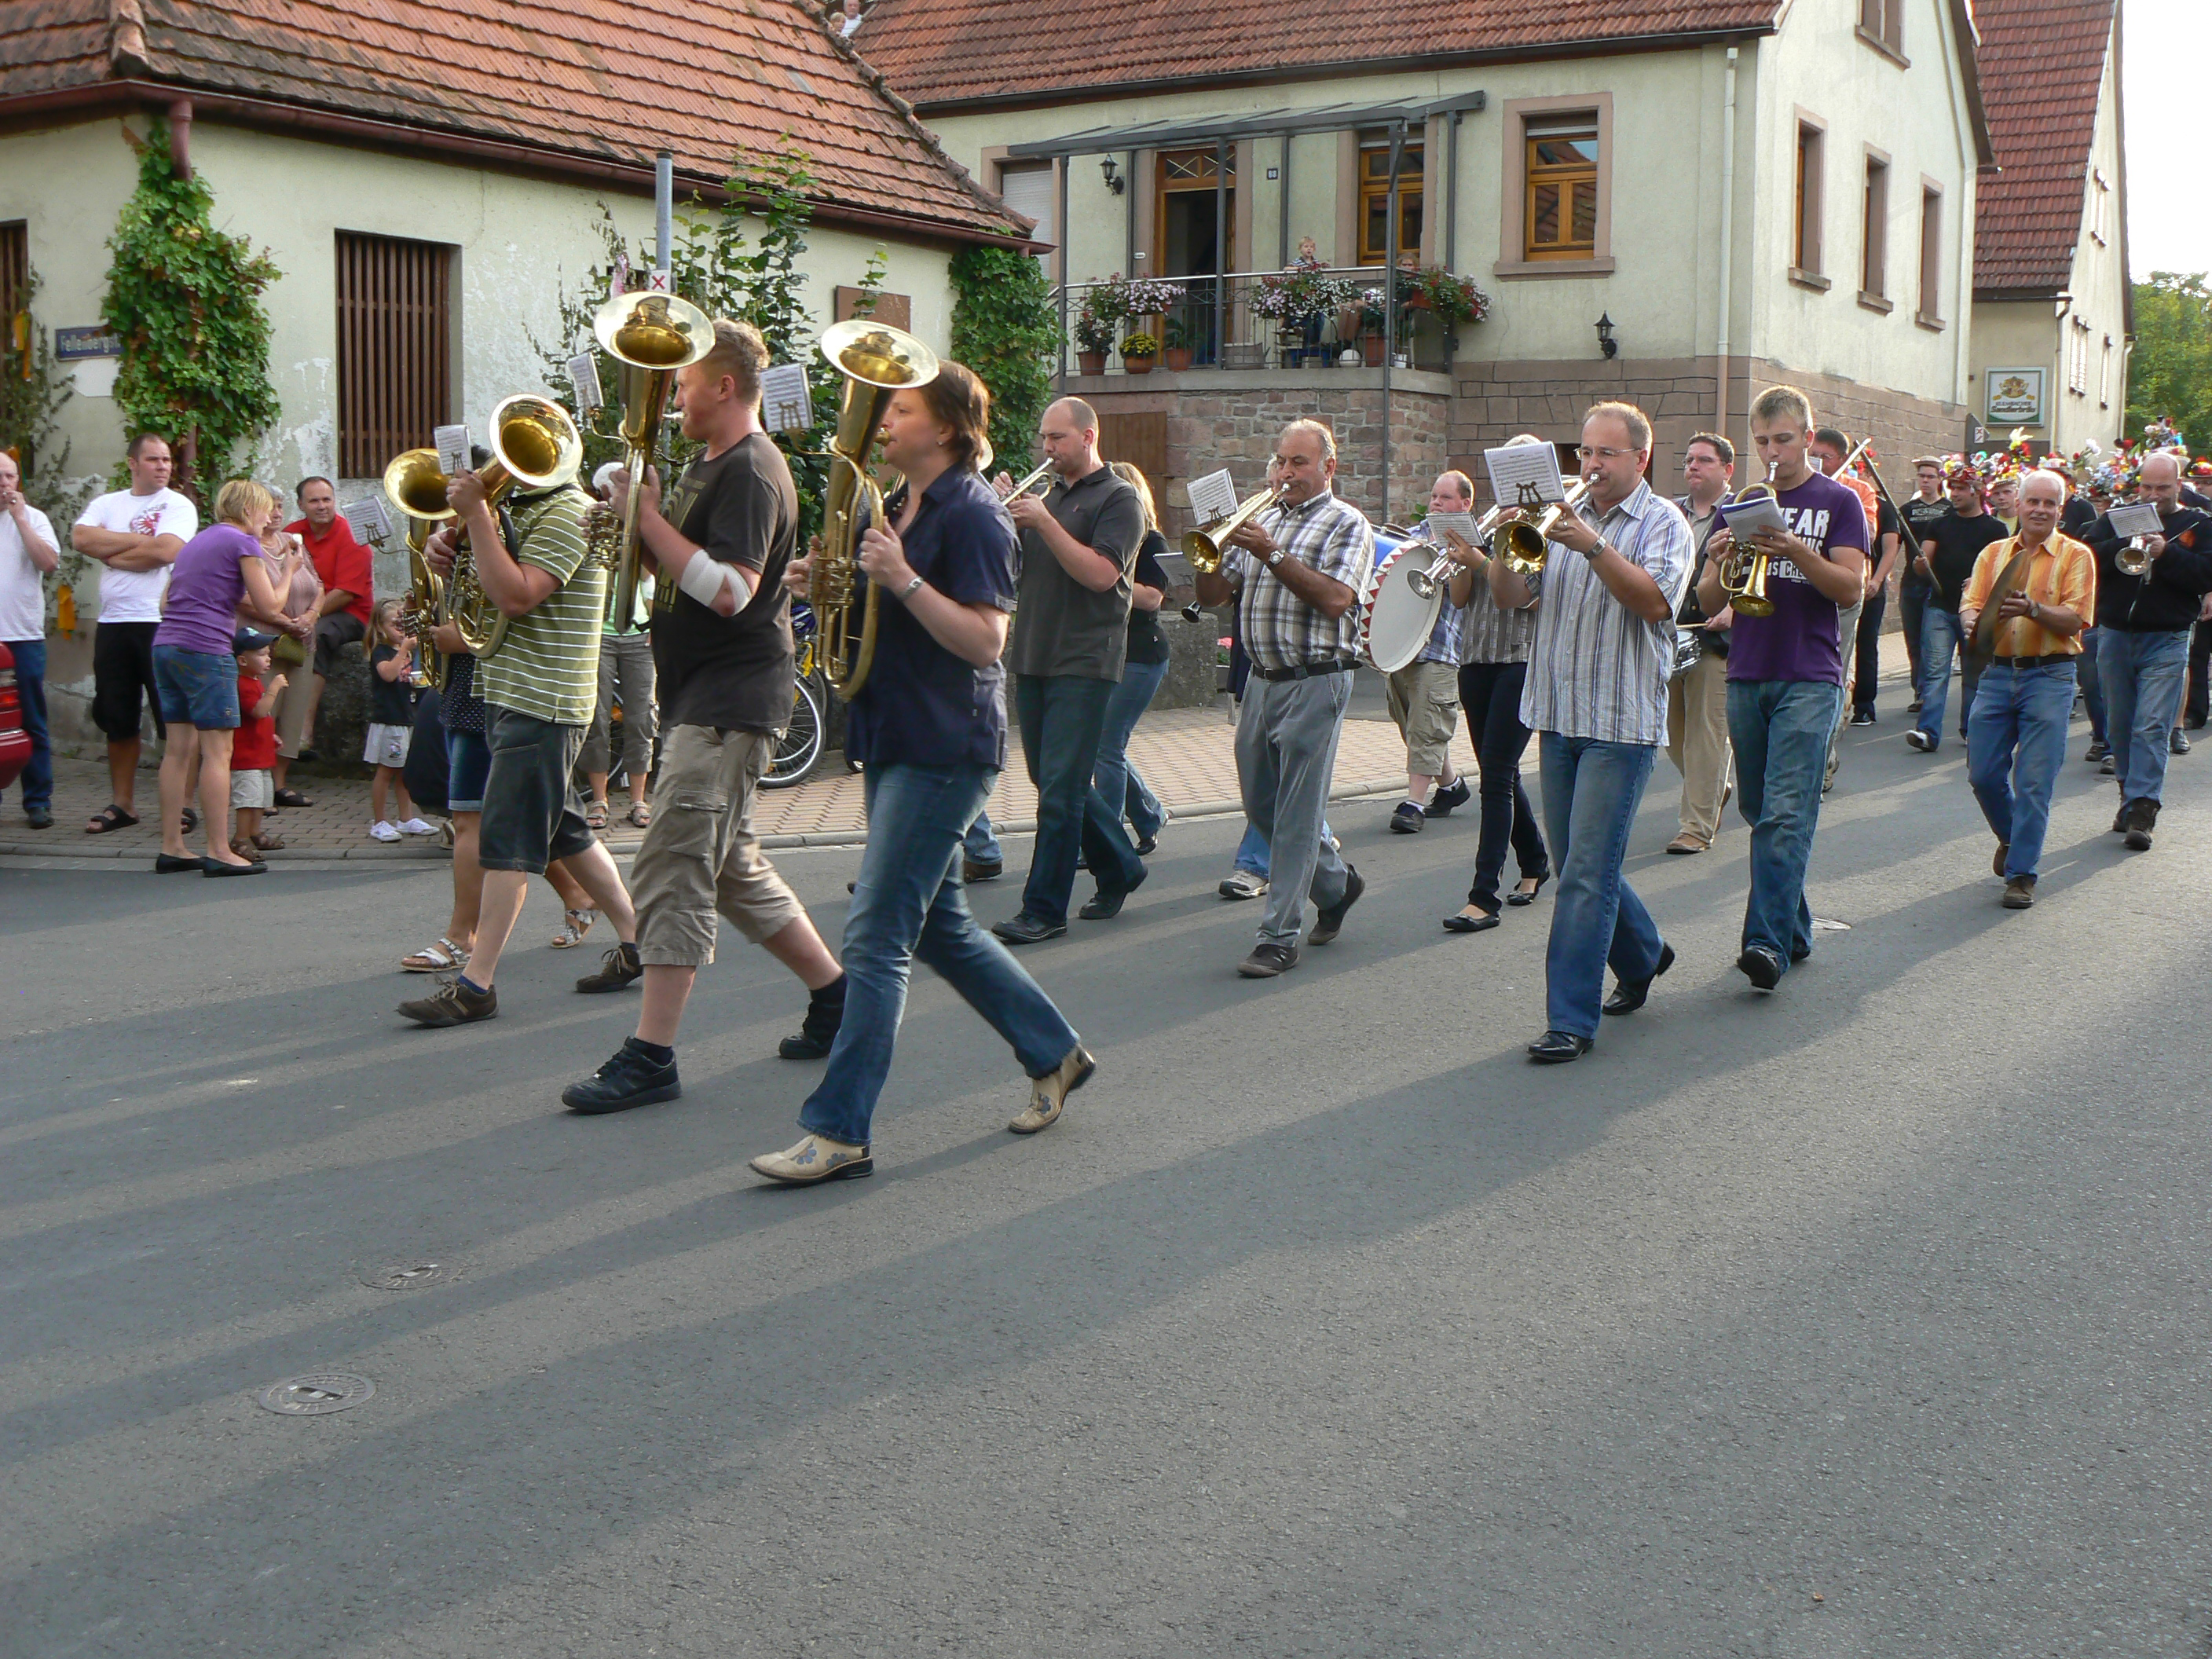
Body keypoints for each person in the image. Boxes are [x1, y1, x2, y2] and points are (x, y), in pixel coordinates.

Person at [750, 362, 1094, 1184]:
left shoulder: (974, 514)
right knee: (939, 926)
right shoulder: (890, 503)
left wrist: (899, 579)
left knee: (874, 934)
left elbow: (984, 641)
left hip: (943, 745)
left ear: (943, 427)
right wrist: (820, 588)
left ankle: (838, 1130)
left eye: (898, 409)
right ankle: (1054, 1051)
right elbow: (872, 614)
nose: (881, 421)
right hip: (895, 731)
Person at [561, 318, 849, 1115]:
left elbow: (732, 591)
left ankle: (651, 1056)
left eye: (685, 380)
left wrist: (646, 521)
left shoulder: (753, 470)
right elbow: (685, 576)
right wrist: (631, 526)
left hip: (727, 701)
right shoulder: (706, 464)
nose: (675, 392)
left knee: (671, 864)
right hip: (704, 693)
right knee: (727, 867)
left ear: (724, 386)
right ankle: (836, 997)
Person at [398, 447, 641, 1027]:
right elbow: (482, 600)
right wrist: (449, 556)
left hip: (544, 698)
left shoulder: (569, 512)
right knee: (568, 832)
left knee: (505, 843)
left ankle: (475, 984)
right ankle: (641, 944)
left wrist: (478, 518)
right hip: (513, 692)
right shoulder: (517, 510)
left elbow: (517, 595)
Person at [1488, 402, 1692, 1062]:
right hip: (1558, 714)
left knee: (1581, 876)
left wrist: (1594, 546)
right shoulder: (1555, 523)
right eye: (1584, 453)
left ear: (1641, 458)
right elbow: (1509, 600)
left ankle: (1569, 1019)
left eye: (1606, 454)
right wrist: (1506, 540)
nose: (1591, 467)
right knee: (1586, 864)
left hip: (1621, 722)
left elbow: (1654, 603)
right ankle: (1644, 954)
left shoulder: (1666, 523)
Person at [1191, 418, 1372, 978]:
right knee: (1261, 806)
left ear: (1328, 468)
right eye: (1280, 462)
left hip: (1317, 678)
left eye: (1298, 463)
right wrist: (1213, 547)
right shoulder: (1262, 518)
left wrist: (1271, 554)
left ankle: (1278, 936)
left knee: (1296, 814)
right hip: (1262, 680)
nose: (1285, 473)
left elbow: (1338, 600)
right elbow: (1215, 594)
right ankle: (1337, 885)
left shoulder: (1348, 524)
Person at [1697, 388, 1866, 988]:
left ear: (1809, 437)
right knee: (1757, 810)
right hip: (1747, 668)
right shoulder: (1740, 503)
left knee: (1787, 812)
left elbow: (1851, 589)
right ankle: (1794, 930)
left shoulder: (1839, 502)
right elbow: (1709, 601)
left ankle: (1763, 944)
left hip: (1811, 673)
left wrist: (1794, 546)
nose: (1773, 453)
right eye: (1763, 442)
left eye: (1785, 440)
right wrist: (1718, 558)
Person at [990, 397, 1147, 943]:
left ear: (1088, 436)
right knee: (1055, 781)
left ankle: (1044, 910)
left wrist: (1044, 521)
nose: (1047, 449)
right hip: (1034, 652)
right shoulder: (1052, 496)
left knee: (1059, 791)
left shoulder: (1120, 498)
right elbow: (1016, 567)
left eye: (1057, 438)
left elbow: (1102, 574)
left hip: (1085, 657)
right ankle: (1122, 866)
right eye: (1044, 438)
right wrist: (1000, 513)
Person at [149, 479, 306, 874]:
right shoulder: (243, 543)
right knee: (219, 753)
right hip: (206, 650)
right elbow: (271, 606)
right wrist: (289, 570)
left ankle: (172, 846)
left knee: (177, 751)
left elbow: (166, 601)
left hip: (166, 647)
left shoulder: (197, 543)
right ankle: (220, 850)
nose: (269, 517)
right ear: (248, 510)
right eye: (265, 509)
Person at [1959, 468, 2095, 908]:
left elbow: (2076, 618)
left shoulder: (2077, 556)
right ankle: (2013, 837)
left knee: (2035, 781)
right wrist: (1970, 621)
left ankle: (2021, 874)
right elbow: (1972, 603)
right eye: (2032, 501)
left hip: (2051, 676)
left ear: (2061, 509)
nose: (2040, 510)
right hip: (1996, 674)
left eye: (2049, 503)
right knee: (1982, 775)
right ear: (2016, 505)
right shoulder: (1993, 553)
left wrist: (2033, 609)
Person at [1436, 441, 1550, 931]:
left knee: (1497, 777)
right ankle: (1536, 863)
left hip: (1521, 659)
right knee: (1498, 771)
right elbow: (1460, 600)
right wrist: (1462, 558)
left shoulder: (1548, 529)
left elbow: (1527, 600)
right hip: (1476, 659)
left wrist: (1485, 558)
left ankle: (1483, 896)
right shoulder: (1485, 523)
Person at [2083, 450, 2212, 851]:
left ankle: (2144, 808)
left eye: (2163, 488)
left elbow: (2206, 574)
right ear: (2137, 485)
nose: (2154, 496)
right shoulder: (2116, 518)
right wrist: (2122, 543)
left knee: (2152, 724)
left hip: (2167, 635)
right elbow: (2084, 561)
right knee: (2120, 724)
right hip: (2116, 633)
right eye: (2147, 487)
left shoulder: (2198, 524)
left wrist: (2167, 553)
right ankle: (2128, 792)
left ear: (2180, 486)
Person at [72, 434, 197, 834]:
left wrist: (111, 551)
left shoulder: (178, 505)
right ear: (133, 463)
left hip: (161, 622)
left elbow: (167, 552)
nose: (163, 466)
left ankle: (183, 805)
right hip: (113, 624)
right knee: (118, 715)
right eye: (154, 459)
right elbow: (81, 539)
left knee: (172, 716)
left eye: (167, 460)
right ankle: (123, 804)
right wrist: (141, 544)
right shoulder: (108, 503)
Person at [1382, 471, 1475, 834]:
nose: (1436, 503)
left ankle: (1413, 804)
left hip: (1440, 649)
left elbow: (1464, 594)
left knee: (1428, 725)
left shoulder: (1471, 544)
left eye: (1445, 498)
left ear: (1465, 504)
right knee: (1414, 726)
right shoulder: (1417, 538)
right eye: (1434, 496)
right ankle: (1451, 787)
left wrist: (1460, 555)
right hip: (1402, 646)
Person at [273, 477, 373, 805]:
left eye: (327, 500)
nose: (321, 506)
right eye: (314, 501)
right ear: (301, 504)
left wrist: (308, 618)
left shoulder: (351, 535)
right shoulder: (292, 533)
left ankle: (305, 725)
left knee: (320, 634)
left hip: (349, 615)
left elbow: (345, 593)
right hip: (300, 615)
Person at [1093, 460, 1173, 855]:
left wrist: (1109, 577)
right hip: (1113, 654)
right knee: (1105, 746)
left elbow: (1152, 597)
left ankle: (1107, 840)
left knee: (1107, 745)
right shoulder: (1109, 539)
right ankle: (1149, 813)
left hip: (1143, 655)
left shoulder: (1152, 541)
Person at [1664, 431, 1737, 855]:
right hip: (1672, 634)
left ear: (1726, 470)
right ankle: (1712, 789)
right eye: (1690, 459)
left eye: (1704, 460)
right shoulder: (1670, 512)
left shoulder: (1741, 512)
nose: (1693, 466)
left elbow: (1758, 571)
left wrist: (1735, 610)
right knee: (1674, 737)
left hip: (1716, 638)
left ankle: (1695, 827)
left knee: (1706, 735)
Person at [1906, 463, 2007, 753]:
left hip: (1975, 610)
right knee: (1936, 672)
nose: (1954, 493)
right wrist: (1920, 565)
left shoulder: (1995, 528)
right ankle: (1927, 732)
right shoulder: (1939, 524)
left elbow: (2000, 569)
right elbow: (1922, 563)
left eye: (1961, 488)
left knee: (1974, 671)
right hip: (1939, 605)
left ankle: (1971, 729)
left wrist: (1979, 581)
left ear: (1977, 491)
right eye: (1952, 487)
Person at [579, 462, 657, 831]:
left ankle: (639, 800)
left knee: (641, 718)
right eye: (609, 493)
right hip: (599, 635)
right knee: (595, 718)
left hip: (638, 634)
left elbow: (649, 580)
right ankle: (599, 799)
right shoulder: (591, 524)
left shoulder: (638, 525)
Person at [0, 451, 58, 829]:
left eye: (10, 476)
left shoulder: (34, 518)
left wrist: (20, 519)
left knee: (32, 719)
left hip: (23, 636)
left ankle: (38, 801)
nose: (4, 483)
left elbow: (48, 563)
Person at [364, 597, 432, 840]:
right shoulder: (381, 652)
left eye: (404, 624)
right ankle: (379, 821)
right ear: (381, 627)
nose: (401, 629)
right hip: (390, 720)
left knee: (405, 772)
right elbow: (388, 675)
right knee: (386, 771)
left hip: (409, 718)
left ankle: (406, 818)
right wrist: (403, 650)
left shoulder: (415, 653)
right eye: (395, 624)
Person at [1899, 457, 1950, 713]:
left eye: (1931, 476)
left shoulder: (1949, 509)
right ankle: (1919, 691)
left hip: (1940, 584)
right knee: (1914, 640)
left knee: (1933, 642)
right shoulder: (1906, 510)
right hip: (1912, 583)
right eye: (1922, 476)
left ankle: (1930, 691)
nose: (1926, 481)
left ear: (1940, 479)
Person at [229, 628, 284, 858]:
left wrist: (271, 736)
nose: (268, 658)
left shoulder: (254, 681)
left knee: (262, 797)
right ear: (242, 660)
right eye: (262, 654)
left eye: (268, 653)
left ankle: (255, 832)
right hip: (247, 758)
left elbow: (261, 720)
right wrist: (274, 689)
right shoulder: (243, 684)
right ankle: (240, 838)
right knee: (248, 800)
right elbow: (260, 711)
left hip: (261, 754)